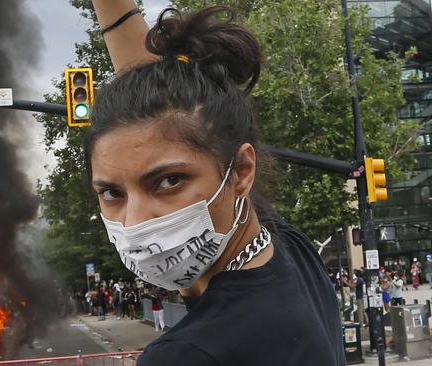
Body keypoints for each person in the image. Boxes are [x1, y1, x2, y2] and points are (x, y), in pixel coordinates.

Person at [88, 2, 344, 364]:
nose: (135, 223)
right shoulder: (286, 251)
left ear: (241, 171)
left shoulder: (187, 355)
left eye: (168, 181)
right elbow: (152, 118)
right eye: (112, 192)